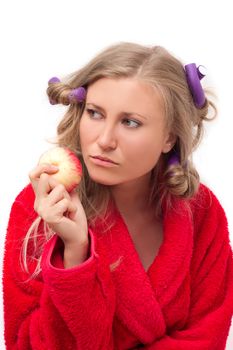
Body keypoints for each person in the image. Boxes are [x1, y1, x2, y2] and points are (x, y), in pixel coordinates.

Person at [3, 42, 233, 350]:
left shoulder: (201, 211)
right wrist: (75, 253)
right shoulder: (42, 207)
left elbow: (207, 335)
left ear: (169, 137)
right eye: (95, 113)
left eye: (130, 122)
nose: (104, 140)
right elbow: (27, 345)